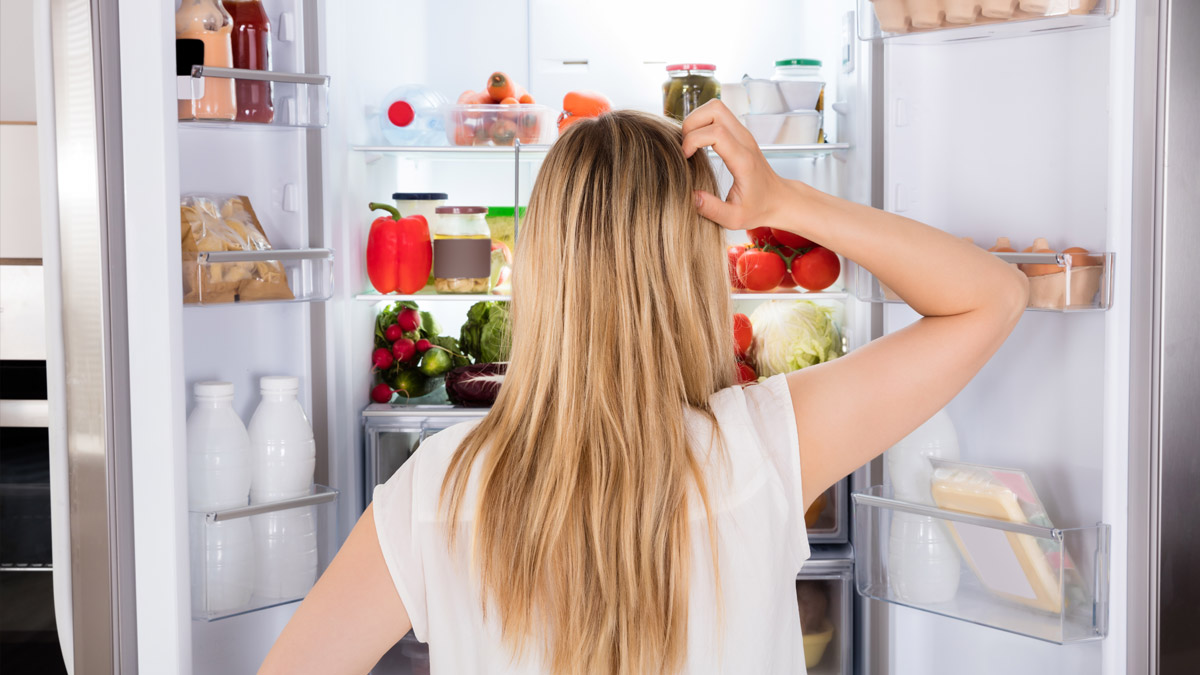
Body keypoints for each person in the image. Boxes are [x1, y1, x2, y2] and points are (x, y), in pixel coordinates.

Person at [259, 102, 1028, 675]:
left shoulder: (435, 488)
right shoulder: (764, 445)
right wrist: (785, 203)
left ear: (544, 267)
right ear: (694, 270)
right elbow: (992, 296)